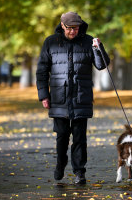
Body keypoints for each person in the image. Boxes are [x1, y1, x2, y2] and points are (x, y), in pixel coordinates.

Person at [36, 11, 110, 184]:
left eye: (76, 28)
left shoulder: (87, 41)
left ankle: (79, 172)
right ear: (62, 26)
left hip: (81, 97)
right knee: (62, 135)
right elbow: (41, 71)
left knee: (79, 138)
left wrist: (99, 48)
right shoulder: (51, 42)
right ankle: (60, 164)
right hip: (58, 97)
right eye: (69, 28)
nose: (73, 32)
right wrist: (43, 95)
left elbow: (102, 65)